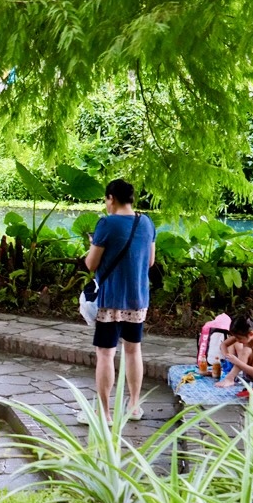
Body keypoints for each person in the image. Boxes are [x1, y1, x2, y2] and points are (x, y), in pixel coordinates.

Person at [80, 179, 157, 424]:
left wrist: (93, 245)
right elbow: (150, 262)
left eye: (106, 200)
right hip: (138, 298)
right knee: (133, 350)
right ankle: (134, 406)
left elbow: (91, 264)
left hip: (110, 299)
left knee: (105, 353)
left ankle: (104, 414)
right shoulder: (146, 223)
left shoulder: (107, 223)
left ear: (111, 198)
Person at [215, 315, 253, 388]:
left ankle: (230, 378)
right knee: (237, 344)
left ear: (251, 334)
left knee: (246, 350)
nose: (237, 339)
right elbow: (223, 344)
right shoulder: (246, 336)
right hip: (247, 370)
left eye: (239, 338)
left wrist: (237, 361)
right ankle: (231, 370)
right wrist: (227, 356)